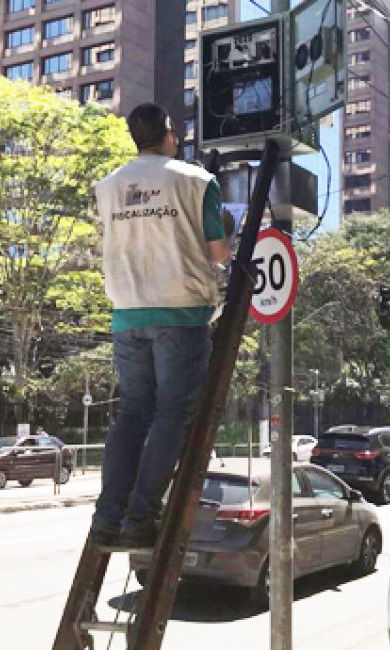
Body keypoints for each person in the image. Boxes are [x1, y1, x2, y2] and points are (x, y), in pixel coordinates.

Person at [90, 103, 230, 550]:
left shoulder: (108, 187)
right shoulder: (196, 181)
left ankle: (107, 518)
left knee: (132, 411)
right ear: (169, 132)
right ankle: (140, 516)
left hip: (127, 312)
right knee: (172, 413)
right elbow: (218, 253)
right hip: (181, 312)